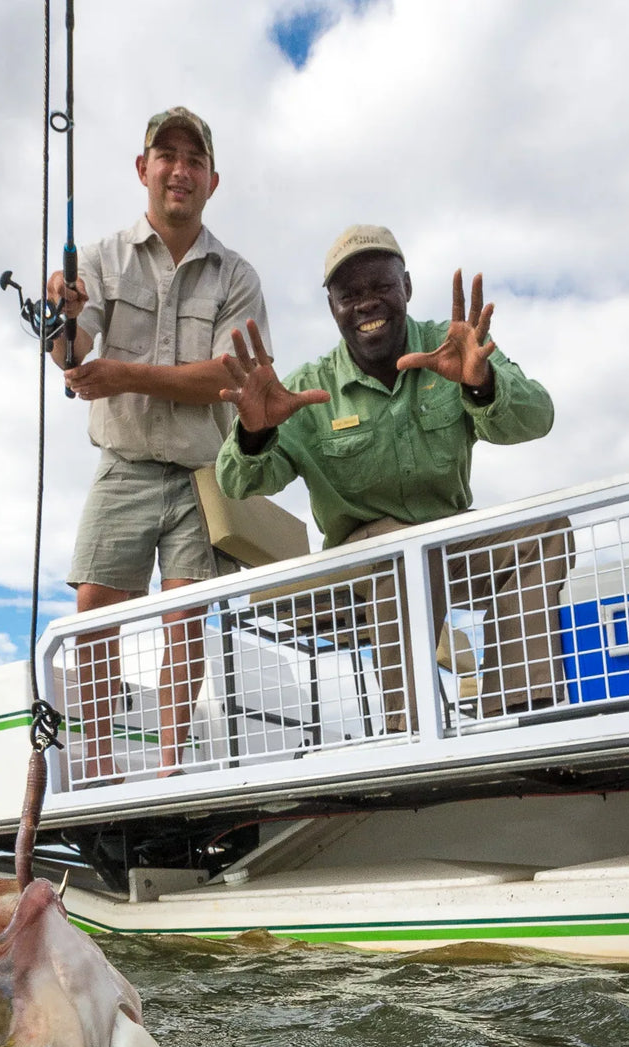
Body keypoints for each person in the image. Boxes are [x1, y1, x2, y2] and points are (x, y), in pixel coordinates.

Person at [215, 224, 570, 731]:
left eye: (380, 287)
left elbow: (540, 418)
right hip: (357, 560)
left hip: (447, 543)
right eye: (349, 295)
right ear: (333, 308)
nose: (366, 303)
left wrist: (483, 382)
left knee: (543, 531)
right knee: (396, 547)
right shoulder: (308, 387)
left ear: (406, 287)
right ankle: (413, 727)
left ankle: (518, 709)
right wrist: (252, 434)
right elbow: (236, 483)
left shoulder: (457, 345)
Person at [47, 107, 271, 781]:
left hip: (204, 470)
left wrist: (121, 373)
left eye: (194, 158)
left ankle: (171, 769)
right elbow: (72, 353)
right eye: (166, 155)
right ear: (143, 169)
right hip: (123, 463)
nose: (180, 169)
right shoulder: (101, 259)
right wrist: (61, 320)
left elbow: (229, 379)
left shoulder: (237, 275)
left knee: (184, 612)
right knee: (92, 609)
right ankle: (103, 768)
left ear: (213, 180)